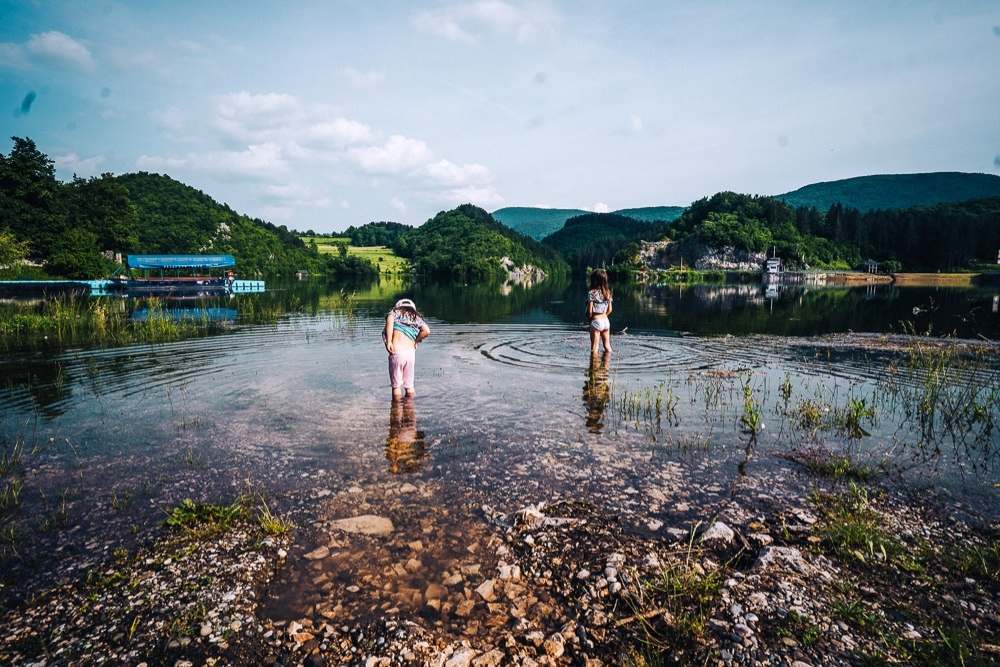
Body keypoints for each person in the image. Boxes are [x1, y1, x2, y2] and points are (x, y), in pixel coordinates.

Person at [383, 298, 430, 399]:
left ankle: (396, 411)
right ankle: (410, 410)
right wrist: (416, 341)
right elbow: (427, 331)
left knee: (396, 386)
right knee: (409, 386)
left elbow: (390, 320)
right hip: (410, 353)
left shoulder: (394, 313)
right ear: (413, 309)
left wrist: (389, 342)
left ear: (397, 307)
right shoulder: (416, 317)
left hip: (397, 352)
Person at [587, 269, 613, 354]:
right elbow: (610, 310)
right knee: (607, 346)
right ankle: (607, 365)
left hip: (596, 321)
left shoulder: (592, 293)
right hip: (606, 321)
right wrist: (604, 316)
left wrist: (590, 320)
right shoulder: (608, 292)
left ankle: (594, 367)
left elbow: (589, 311)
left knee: (594, 348)